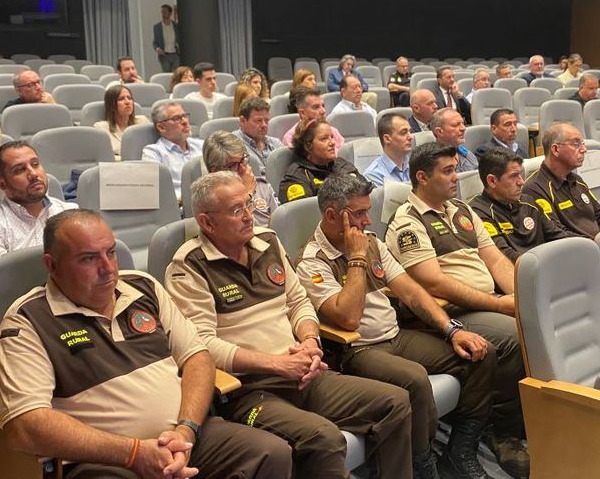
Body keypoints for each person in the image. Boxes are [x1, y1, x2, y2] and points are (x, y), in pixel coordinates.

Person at [0, 209, 292, 479]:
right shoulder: (28, 321)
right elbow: (26, 425)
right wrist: (133, 452)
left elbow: (197, 357)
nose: (108, 268)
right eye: (88, 258)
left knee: (270, 452)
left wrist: (186, 429)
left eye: (110, 252)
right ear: (52, 265)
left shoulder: (142, 286)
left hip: (186, 437)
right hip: (107, 460)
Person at [165, 171, 414, 479]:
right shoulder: (188, 267)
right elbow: (202, 347)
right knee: (323, 437)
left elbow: (299, 303)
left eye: (248, 204)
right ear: (207, 222)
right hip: (250, 389)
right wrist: (277, 364)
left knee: (395, 401)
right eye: (236, 210)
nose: (248, 216)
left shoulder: (267, 241)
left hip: (302, 372)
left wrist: (310, 342)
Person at [297, 175, 501, 478]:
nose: (368, 220)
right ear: (330, 215)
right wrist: (356, 258)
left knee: (482, 354)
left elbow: (411, 292)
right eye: (359, 214)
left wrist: (452, 330)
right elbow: (349, 318)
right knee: (415, 380)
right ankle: (423, 465)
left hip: (396, 336)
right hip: (357, 349)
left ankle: (460, 450)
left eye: (368, 211)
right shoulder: (311, 261)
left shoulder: (373, 243)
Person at [385, 142, 528, 478]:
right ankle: (500, 428)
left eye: (455, 169)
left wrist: (520, 299)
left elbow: (494, 259)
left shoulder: (461, 209)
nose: (456, 177)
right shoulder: (407, 222)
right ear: (421, 177)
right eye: (447, 171)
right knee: (517, 337)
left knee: (536, 320)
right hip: (447, 314)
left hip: (484, 301)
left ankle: (532, 412)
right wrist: (500, 304)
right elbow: (433, 284)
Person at [0, 141, 77, 291]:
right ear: (2, 184)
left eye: (35, 164)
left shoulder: (69, 212)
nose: (33, 174)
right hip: (22, 310)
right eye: (19, 170)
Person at [469, 149, 572, 262]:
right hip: (519, 273)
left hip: (546, 266)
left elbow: (557, 235)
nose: (521, 182)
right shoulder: (477, 212)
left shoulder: (528, 202)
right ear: (492, 181)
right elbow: (503, 256)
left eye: (520, 174)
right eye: (514, 176)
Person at [523, 123, 600, 238]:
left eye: (582, 143)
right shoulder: (534, 188)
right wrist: (595, 244)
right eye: (576, 144)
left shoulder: (577, 180)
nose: (584, 149)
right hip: (576, 251)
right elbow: (556, 232)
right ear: (555, 149)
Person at [203, 130, 278, 226]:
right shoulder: (212, 200)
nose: (243, 169)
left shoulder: (261, 186)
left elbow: (280, 226)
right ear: (215, 172)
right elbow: (243, 232)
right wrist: (247, 194)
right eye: (233, 165)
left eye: (243, 159)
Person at [279, 119, 359, 204]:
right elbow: (303, 213)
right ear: (307, 145)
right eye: (324, 139)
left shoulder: (343, 165)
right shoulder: (296, 177)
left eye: (331, 137)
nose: (332, 143)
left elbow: (366, 193)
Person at [141, 102, 203, 200]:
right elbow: (156, 193)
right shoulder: (153, 153)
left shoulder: (201, 146)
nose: (185, 122)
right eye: (176, 118)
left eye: (184, 116)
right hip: (178, 208)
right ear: (161, 127)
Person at [94, 85, 149, 160]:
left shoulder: (142, 122)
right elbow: (105, 156)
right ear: (111, 104)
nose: (127, 102)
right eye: (121, 99)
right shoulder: (101, 128)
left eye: (129, 98)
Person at [363, 112, 412, 187]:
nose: (410, 137)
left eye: (410, 132)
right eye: (403, 133)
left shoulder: (416, 164)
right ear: (387, 139)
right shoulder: (373, 175)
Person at [233, 96, 283, 168]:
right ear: (242, 121)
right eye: (258, 121)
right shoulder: (233, 145)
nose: (264, 125)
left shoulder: (275, 143)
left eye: (266, 120)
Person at [431, 107, 478, 172]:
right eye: (456, 125)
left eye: (463, 123)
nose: (463, 128)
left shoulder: (467, 153)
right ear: (439, 131)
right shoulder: (432, 162)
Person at [152, 3, 180, 72]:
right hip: (164, 55)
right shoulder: (157, 27)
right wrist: (157, 49)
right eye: (162, 12)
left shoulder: (176, 26)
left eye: (165, 11)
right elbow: (154, 42)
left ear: (170, 13)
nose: (163, 14)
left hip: (175, 54)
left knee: (176, 75)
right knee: (166, 75)